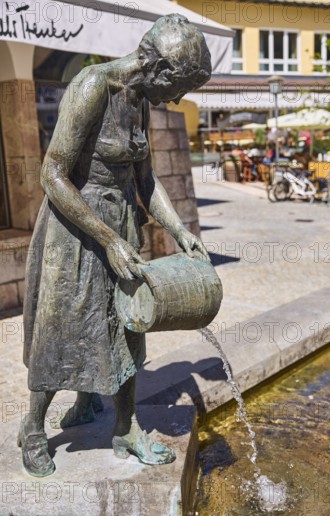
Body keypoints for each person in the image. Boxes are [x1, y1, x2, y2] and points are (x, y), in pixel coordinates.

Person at [20, 14, 211, 477]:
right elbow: (53, 173)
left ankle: (124, 428)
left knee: (129, 323)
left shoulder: (140, 99)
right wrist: (105, 239)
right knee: (63, 327)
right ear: (158, 69)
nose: (179, 98)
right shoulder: (92, 87)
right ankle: (32, 429)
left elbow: (146, 180)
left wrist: (181, 229)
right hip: (76, 228)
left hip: (120, 222)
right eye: (179, 86)